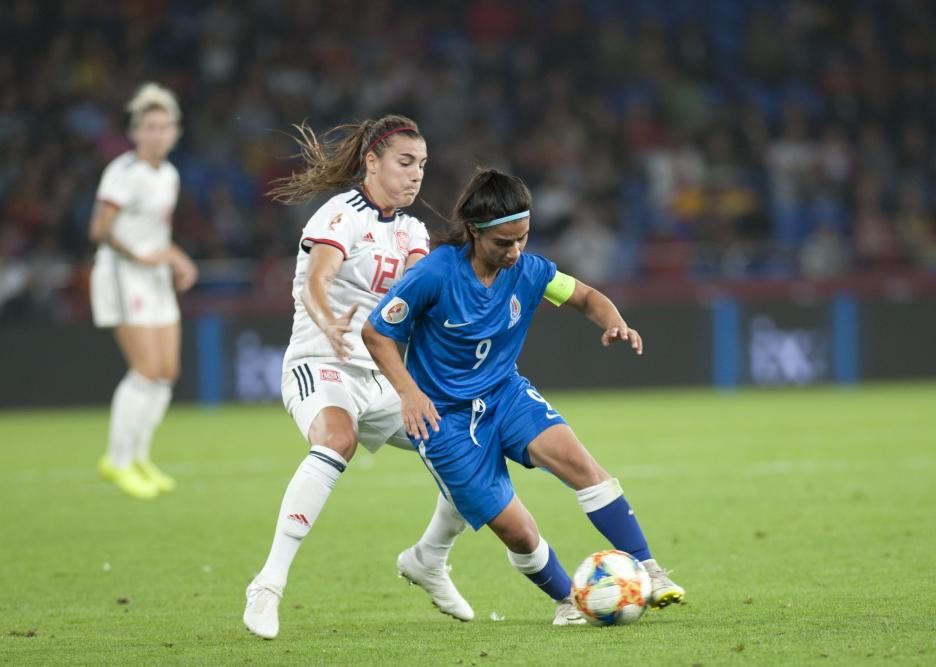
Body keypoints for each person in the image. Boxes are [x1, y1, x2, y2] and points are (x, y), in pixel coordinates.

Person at [362, 169, 686, 625]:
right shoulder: (434, 274)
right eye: (503, 243)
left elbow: (587, 297)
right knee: (517, 530)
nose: (515, 251)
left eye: (523, 239)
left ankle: (648, 570)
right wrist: (408, 392)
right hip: (445, 420)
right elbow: (376, 331)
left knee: (583, 466)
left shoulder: (531, 271)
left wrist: (614, 321)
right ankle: (568, 602)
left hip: (505, 394)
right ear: (474, 231)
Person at [243, 115, 473, 640]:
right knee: (337, 441)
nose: (416, 176)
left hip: (385, 376)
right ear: (372, 162)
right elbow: (317, 280)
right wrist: (328, 319)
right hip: (322, 362)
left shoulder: (414, 230)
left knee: (467, 449)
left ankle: (429, 559)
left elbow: (420, 297)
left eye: (422, 166)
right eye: (405, 163)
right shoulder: (339, 215)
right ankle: (268, 584)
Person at [90, 83, 198, 499]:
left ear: (175, 131)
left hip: (153, 275)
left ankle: (139, 457)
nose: (158, 134)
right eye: (150, 126)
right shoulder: (124, 173)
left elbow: (157, 233)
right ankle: (116, 461)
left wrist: (177, 258)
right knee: (145, 369)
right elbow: (99, 229)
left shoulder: (168, 175)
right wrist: (138, 254)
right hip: (122, 273)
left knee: (167, 371)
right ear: (136, 131)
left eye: (165, 126)